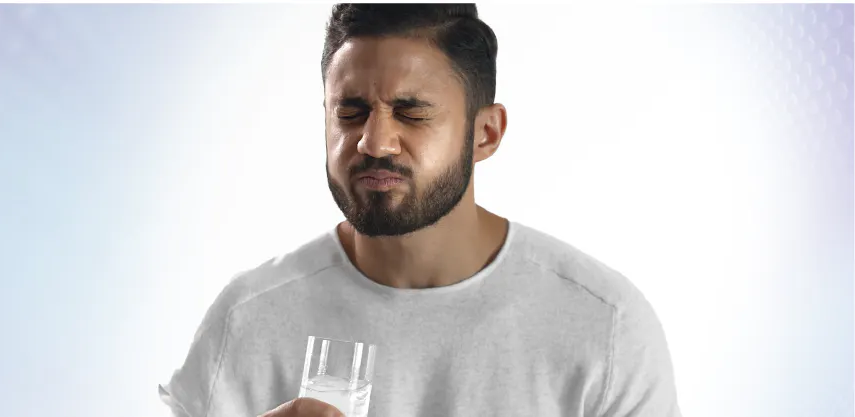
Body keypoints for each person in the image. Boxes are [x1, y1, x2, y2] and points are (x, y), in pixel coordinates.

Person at [159, 4, 682, 417]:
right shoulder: (249, 318)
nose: (374, 141)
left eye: (411, 113)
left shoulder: (601, 324)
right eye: (350, 112)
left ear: (485, 133)